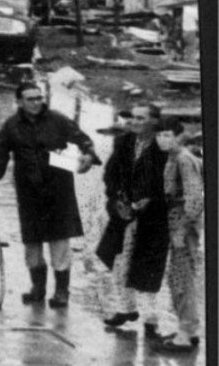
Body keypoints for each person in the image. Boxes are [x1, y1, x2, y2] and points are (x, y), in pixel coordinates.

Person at [0, 82, 98, 308]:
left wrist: (88, 154)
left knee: (59, 241)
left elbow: (82, 139)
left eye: (39, 98)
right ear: (19, 101)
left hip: (58, 190)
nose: (36, 103)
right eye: (30, 99)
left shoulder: (57, 119)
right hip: (29, 192)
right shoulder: (11, 126)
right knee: (32, 242)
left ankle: (62, 291)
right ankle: (38, 288)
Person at [96, 103, 170, 335]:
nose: (135, 122)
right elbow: (110, 174)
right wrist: (117, 198)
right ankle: (126, 308)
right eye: (133, 118)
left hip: (154, 216)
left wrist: (152, 199)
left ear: (154, 121)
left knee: (147, 268)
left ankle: (151, 320)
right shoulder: (124, 142)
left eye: (141, 118)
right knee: (119, 260)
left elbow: (170, 181)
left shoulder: (163, 146)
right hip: (123, 212)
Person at [152, 117, 203, 352]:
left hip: (183, 224)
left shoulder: (183, 159)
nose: (162, 140)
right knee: (178, 277)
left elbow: (194, 198)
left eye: (167, 135)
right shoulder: (173, 158)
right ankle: (188, 329)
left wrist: (182, 229)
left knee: (181, 278)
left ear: (178, 136)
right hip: (174, 221)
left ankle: (185, 333)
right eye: (159, 135)